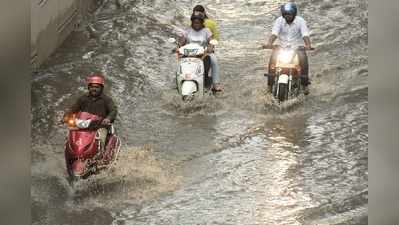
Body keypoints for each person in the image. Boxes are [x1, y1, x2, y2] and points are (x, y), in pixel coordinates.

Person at [263, 2, 313, 95]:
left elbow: (305, 34)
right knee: (272, 61)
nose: (287, 16)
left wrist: (308, 45)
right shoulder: (279, 21)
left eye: (289, 14)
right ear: (283, 14)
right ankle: (269, 86)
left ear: (294, 14)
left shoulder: (300, 21)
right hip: (282, 47)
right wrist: (269, 44)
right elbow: (274, 33)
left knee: (303, 60)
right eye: (285, 14)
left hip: (297, 48)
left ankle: (305, 85)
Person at [64, 74, 117, 152]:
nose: (94, 89)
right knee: (69, 136)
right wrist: (66, 116)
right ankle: (70, 152)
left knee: (101, 138)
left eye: (97, 87)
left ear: (101, 88)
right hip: (83, 125)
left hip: (100, 126)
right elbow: (73, 108)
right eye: (92, 87)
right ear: (89, 87)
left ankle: (101, 155)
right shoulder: (83, 98)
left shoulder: (107, 100)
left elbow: (113, 110)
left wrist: (108, 119)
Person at [191, 5, 222, 91]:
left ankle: (216, 83)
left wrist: (210, 47)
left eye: (199, 14)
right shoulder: (190, 25)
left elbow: (216, 37)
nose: (196, 24)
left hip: (206, 51)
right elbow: (185, 37)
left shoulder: (210, 24)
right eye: (195, 14)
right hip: (191, 51)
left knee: (214, 61)